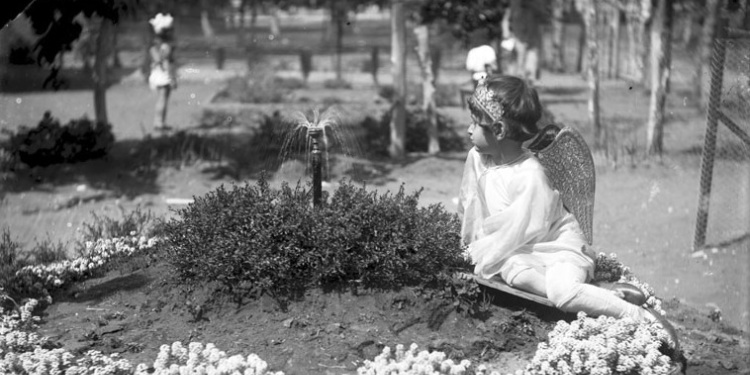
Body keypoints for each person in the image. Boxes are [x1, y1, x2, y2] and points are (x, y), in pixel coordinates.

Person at [458, 75, 655, 322]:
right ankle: (597, 293)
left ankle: (637, 316)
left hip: (559, 247)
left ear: (498, 130)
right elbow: (470, 204)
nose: (468, 130)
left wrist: (483, 253)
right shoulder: (478, 157)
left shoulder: (529, 175)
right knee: (515, 273)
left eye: (476, 124)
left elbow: (523, 230)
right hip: (523, 247)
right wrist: (470, 245)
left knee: (561, 293)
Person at [148, 13, 177, 132]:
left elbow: (155, 57)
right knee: (163, 98)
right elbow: (166, 63)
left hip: (158, 73)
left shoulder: (156, 46)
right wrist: (172, 78)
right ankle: (159, 122)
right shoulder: (167, 46)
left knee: (162, 98)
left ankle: (161, 122)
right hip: (164, 74)